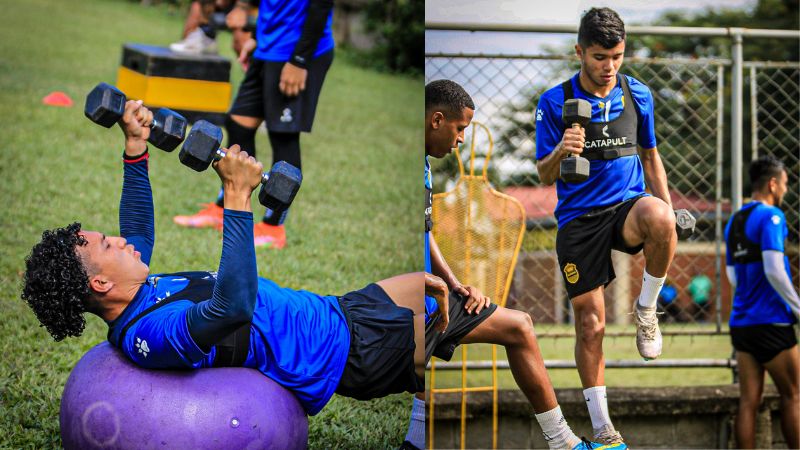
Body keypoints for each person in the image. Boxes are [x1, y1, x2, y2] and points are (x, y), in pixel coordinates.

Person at [21, 101, 424, 419]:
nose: (122, 242)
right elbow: (232, 308)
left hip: (335, 308)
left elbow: (139, 228)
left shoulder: (135, 290)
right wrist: (236, 196)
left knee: (434, 284)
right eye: (108, 245)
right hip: (340, 352)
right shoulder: (152, 332)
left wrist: (135, 145)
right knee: (467, 317)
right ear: (100, 284)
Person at [419, 79, 625, 450]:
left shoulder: (426, 168)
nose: (462, 140)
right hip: (409, 303)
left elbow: (424, 234)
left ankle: (563, 443)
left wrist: (454, 284)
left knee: (520, 326)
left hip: (436, 297)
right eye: (460, 129)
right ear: (437, 120)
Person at [533, 7, 677, 445]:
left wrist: (668, 215)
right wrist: (561, 150)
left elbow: (651, 157)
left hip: (627, 207)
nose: (608, 66)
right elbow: (543, 174)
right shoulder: (554, 101)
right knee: (590, 324)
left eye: (616, 56)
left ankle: (647, 310)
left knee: (660, 216)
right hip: (579, 220)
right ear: (580, 52)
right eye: (599, 57)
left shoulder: (638, 94)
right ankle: (603, 428)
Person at [173, 0, 335, 249]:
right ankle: (223, 209)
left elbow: (320, 7)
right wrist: (258, 37)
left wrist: (300, 61)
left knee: (283, 136)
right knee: (238, 124)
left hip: (296, 53)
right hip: (269, 47)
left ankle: (273, 227)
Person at [724, 155, 799, 449]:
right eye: (785, 184)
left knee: (747, 402)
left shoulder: (735, 220)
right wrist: (797, 307)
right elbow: (774, 268)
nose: (786, 190)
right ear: (772, 184)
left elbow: (732, 275)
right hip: (772, 322)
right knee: (793, 395)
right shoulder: (772, 217)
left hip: (742, 323)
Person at [170, 1, 253, 56]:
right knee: (192, 22)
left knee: (241, 45)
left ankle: (256, 75)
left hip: (243, 4)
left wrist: (242, 7)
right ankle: (206, 38)